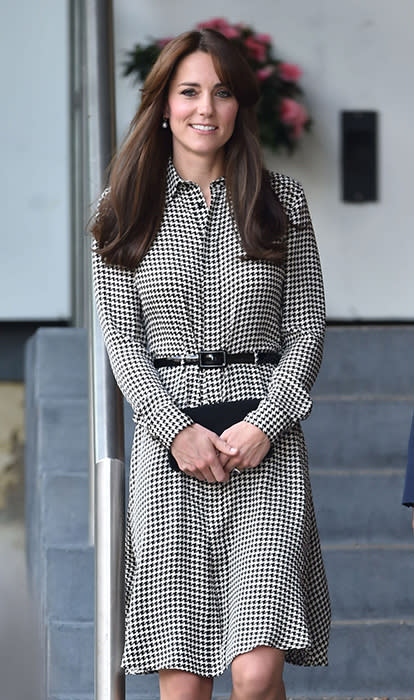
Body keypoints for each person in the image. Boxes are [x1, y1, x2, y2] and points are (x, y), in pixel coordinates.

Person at [91, 28, 330, 700]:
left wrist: (269, 420)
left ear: (240, 107)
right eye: (189, 91)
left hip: (266, 444)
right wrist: (174, 430)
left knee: (256, 674)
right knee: (187, 681)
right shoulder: (120, 210)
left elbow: (307, 324)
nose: (206, 108)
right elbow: (124, 342)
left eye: (222, 93)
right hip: (171, 453)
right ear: (163, 104)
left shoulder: (284, 202)